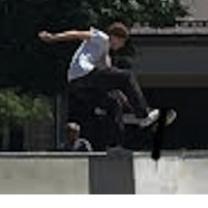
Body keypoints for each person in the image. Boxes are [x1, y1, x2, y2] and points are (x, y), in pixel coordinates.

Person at [39, 22, 176, 128]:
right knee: (127, 76)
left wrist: (125, 97)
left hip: (78, 85)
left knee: (113, 104)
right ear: (114, 37)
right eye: (121, 42)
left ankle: (115, 145)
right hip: (83, 73)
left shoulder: (104, 53)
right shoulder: (102, 37)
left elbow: (112, 78)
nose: (121, 46)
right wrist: (53, 37)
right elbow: (76, 34)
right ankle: (143, 115)